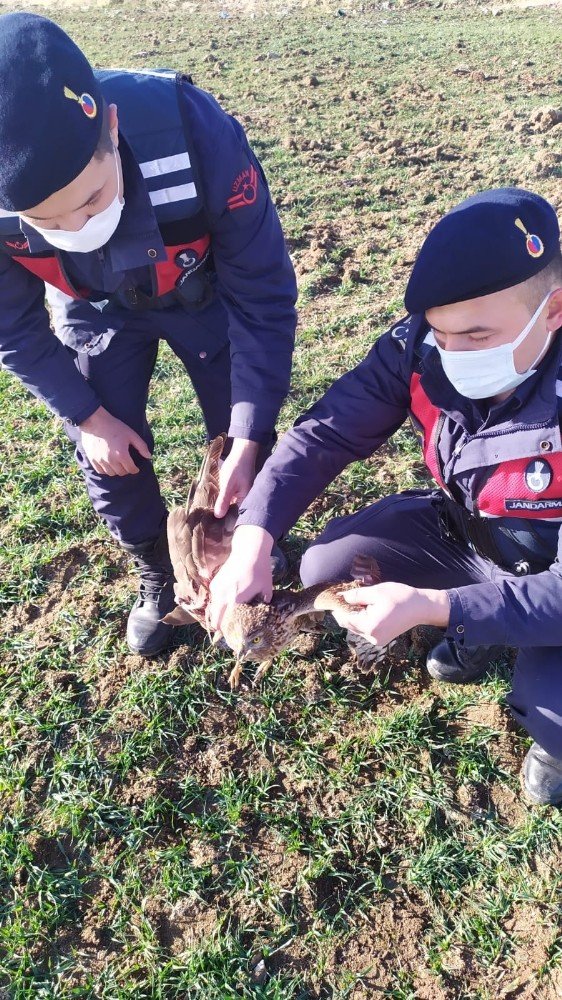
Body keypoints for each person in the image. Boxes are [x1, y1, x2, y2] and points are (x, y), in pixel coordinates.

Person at [210, 187, 562, 806]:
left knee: (552, 710)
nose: (452, 356)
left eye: (477, 336)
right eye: (440, 333)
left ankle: (543, 720)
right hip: (470, 532)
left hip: (551, 570)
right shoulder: (421, 349)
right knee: (325, 569)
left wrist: (435, 607)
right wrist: (253, 534)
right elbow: (325, 433)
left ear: (553, 309)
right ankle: (478, 619)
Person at [0, 13, 297, 656]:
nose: (77, 226)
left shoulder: (196, 134)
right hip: (93, 308)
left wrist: (249, 430)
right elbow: (14, 327)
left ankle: (247, 549)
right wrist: (85, 416)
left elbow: (264, 297)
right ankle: (158, 573)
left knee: (243, 445)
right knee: (108, 452)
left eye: (90, 198)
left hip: (205, 292)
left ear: (110, 127)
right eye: (46, 221)